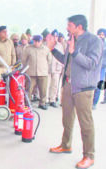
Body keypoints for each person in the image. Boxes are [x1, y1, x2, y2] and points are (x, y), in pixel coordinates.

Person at [47, 15, 102, 169]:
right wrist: (52, 49)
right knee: (67, 119)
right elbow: (67, 61)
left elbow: (92, 63)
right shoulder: (72, 39)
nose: (67, 28)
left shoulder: (94, 41)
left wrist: (75, 52)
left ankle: (89, 156)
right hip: (68, 85)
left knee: (85, 123)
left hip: (84, 88)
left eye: (70, 25)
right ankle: (66, 145)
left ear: (79, 27)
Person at [22, 35, 52, 110]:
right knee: (29, 89)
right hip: (31, 73)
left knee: (43, 89)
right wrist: (23, 70)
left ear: (41, 41)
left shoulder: (46, 49)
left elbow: (49, 60)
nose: (36, 43)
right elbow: (23, 60)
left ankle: (42, 103)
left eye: (37, 41)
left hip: (43, 73)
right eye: (35, 41)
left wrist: (45, 68)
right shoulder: (28, 49)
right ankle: (27, 103)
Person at [48, 29, 64, 108]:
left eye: (56, 36)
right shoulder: (47, 44)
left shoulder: (60, 46)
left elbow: (62, 57)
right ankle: (46, 99)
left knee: (55, 85)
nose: (55, 38)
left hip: (57, 68)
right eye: (53, 36)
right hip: (48, 67)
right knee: (47, 84)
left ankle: (52, 100)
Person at [92, 28, 106, 108]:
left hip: (102, 67)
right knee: (92, 84)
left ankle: (94, 103)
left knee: (99, 85)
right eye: (100, 34)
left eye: (103, 35)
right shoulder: (94, 44)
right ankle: (90, 101)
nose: (101, 36)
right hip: (94, 66)